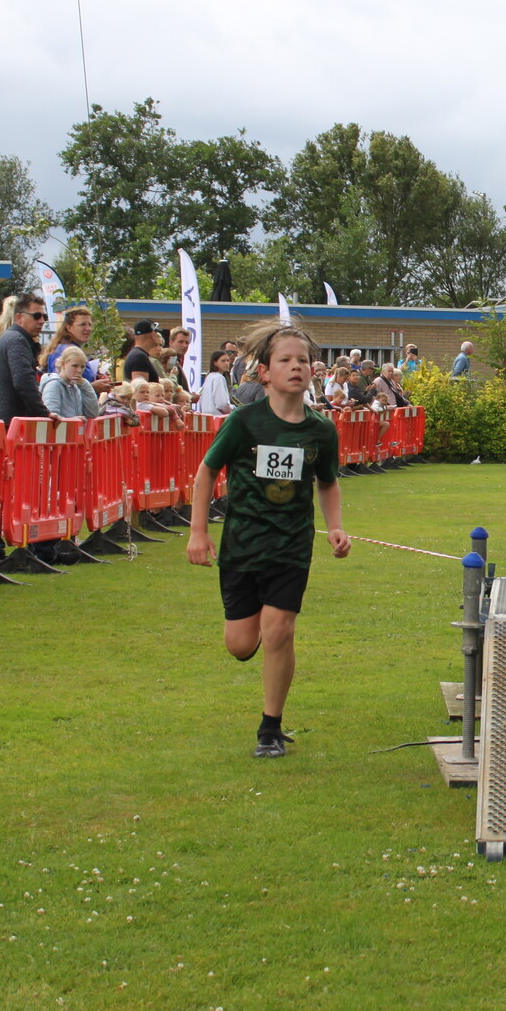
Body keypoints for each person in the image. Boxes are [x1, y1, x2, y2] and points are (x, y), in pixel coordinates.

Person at [186, 320, 349, 758]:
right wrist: (198, 532)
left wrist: (335, 526)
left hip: (291, 546)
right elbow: (205, 473)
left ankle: (270, 728)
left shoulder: (321, 429)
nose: (296, 368)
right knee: (240, 646)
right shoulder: (243, 422)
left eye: (303, 361)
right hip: (243, 544)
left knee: (280, 631)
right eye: (285, 361)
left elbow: (328, 482)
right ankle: (254, 626)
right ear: (264, 371)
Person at [0, 293, 52, 426]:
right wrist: (44, 414)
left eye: (44, 316)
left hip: (6, 421)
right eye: (36, 316)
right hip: (11, 424)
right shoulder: (17, 340)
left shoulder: (10, 337)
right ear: (19, 317)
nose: (41, 321)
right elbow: (23, 382)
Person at [39, 346, 100, 418]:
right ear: (63, 364)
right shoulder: (53, 385)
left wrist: (85, 385)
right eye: (75, 366)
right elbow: (52, 417)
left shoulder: (76, 386)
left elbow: (92, 414)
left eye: (82, 367)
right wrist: (73, 421)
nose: (79, 370)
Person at [196, 348, 235, 416]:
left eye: (228, 361)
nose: (226, 363)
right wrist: (233, 409)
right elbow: (222, 403)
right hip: (218, 418)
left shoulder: (209, 377)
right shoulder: (219, 378)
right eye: (223, 361)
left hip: (207, 417)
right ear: (215, 362)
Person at [124, 320, 164, 384]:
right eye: (156, 333)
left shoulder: (136, 354)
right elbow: (141, 388)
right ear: (152, 335)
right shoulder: (139, 357)